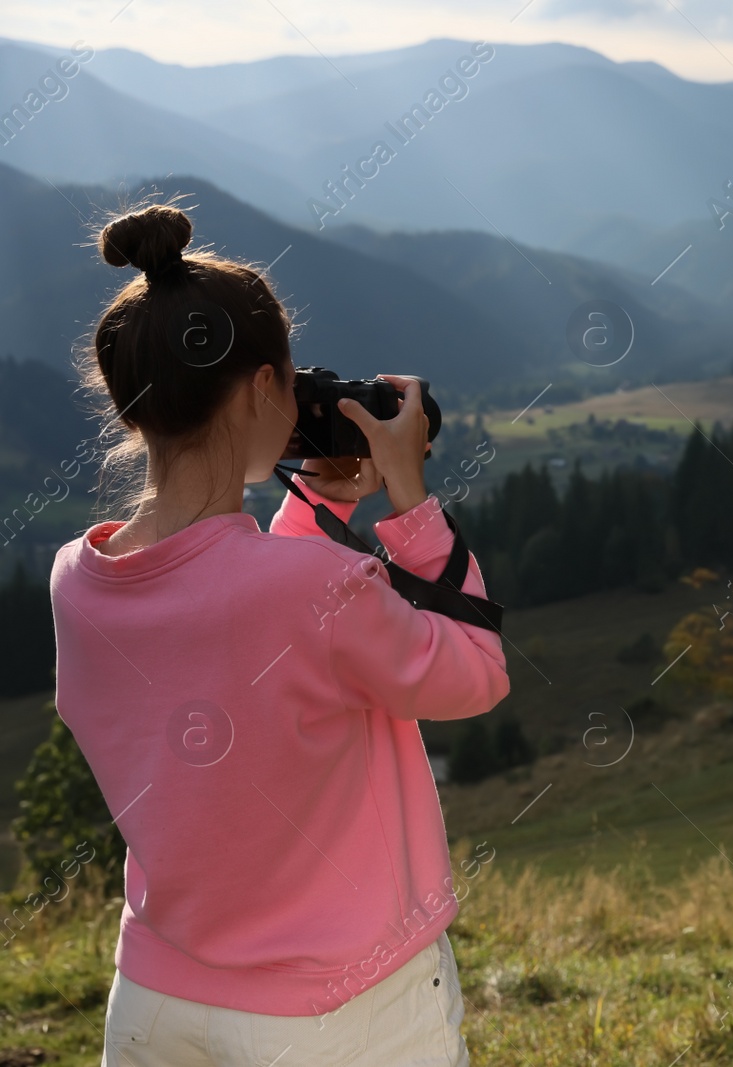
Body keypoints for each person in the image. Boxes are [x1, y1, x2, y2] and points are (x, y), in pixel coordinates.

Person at [50, 202, 510, 1067]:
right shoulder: (311, 590)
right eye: (289, 378)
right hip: (341, 1006)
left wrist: (324, 499)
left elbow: (245, 624)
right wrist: (410, 503)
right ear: (265, 387)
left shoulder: (77, 577)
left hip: (156, 998)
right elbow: (476, 673)